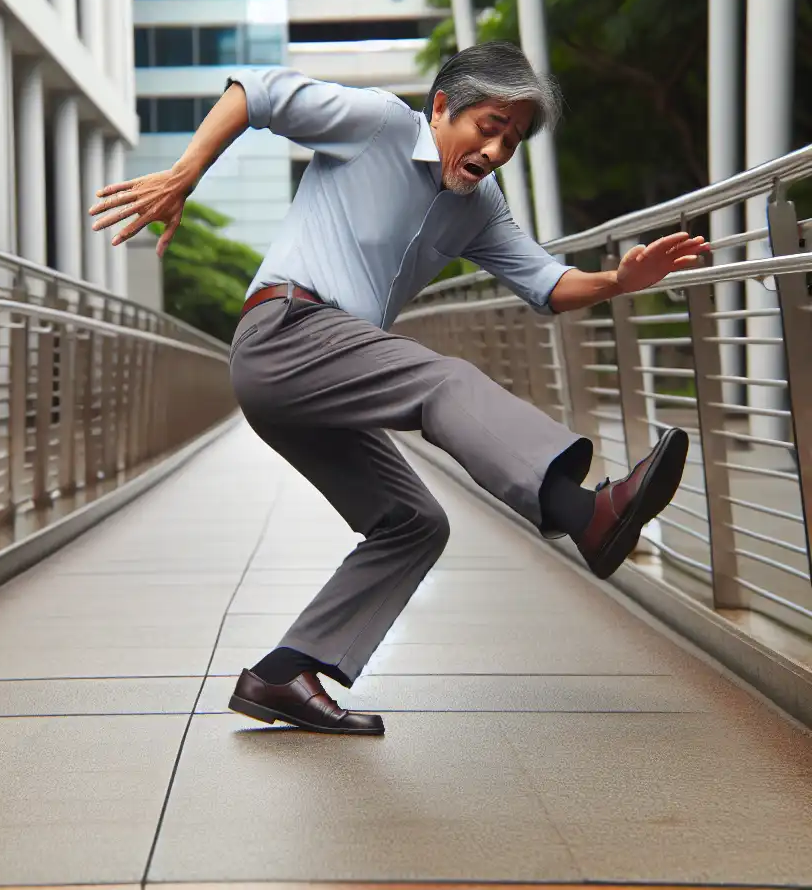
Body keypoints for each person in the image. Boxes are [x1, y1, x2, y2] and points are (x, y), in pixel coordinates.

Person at [90, 42, 708, 737]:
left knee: (414, 523)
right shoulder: (379, 124)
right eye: (490, 125)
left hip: (330, 378)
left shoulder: (479, 207)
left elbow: (546, 283)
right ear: (443, 106)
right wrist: (184, 173)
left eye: (512, 139)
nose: (498, 149)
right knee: (440, 380)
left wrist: (618, 283)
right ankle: (584, 512)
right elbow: (256, 92)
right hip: (288, 328)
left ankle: (284, 673)